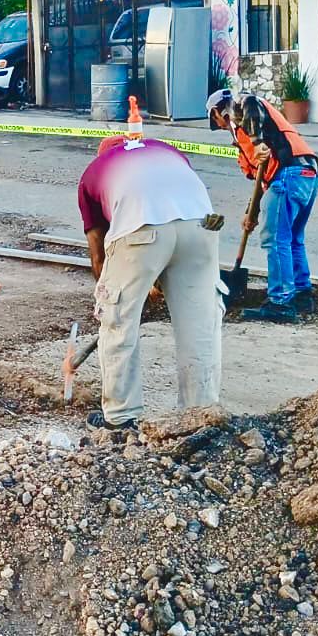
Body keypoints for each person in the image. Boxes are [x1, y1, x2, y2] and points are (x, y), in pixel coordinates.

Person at [78, 135, 224, 430]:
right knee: (199, 323)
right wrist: (147, 282)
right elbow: (171, 222)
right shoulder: (166, 150)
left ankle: (121, 416)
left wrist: (119, 296)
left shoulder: (94, 173)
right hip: (202, 226)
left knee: (118, 320)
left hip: (141, 228)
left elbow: (99, 256)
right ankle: (200, 414)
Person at [207, 89, 318, 323]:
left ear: (218, 111)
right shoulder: (252, 132)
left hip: (288, 175)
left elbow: (250, 101)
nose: (219, 126)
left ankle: (280, 303)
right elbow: (262, 182)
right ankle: (302, 295)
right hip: (307, 174)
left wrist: (257, 141)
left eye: (216, 119)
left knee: (276, 240)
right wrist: (251, 213)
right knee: (292, 239)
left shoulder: (242, 107)